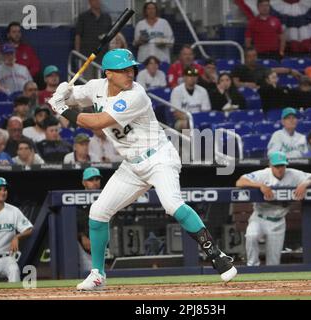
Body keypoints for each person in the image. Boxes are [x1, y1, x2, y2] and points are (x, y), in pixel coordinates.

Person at [48, 48, 237, 290]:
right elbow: (74, 94)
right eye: (124, 70)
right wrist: (65, 92)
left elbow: (97, 121)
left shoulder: (135, 95)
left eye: (132, 69)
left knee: (171, 204)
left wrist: (62, 108)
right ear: (108, 74)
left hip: (159, 158)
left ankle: (218, 256)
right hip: (132, 166)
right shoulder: (96, 86)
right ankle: (97, 274)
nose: (130, 74)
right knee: (98, 212)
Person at [236, 151, 311, 265]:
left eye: (282, 166)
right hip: (259, 217)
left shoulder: (293, 174)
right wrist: (260, 185)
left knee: (273, 263)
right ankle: (252, 266)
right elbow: (240, 182)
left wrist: (305, 184)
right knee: (251, 235)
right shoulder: (263, 174)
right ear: (270, 165)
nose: (280, 169)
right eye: (277, 166)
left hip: (278, 222)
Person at [231, 47, 300, 90]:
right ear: (245, 58)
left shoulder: (261, 68)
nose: (252, 58)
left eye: (254, 56)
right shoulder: (238, 68)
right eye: (250, 56)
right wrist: (247, 84)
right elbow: (235, 83)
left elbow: (274, 70)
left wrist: (290, 70)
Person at [76, 167, 102, 275]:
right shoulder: (76, 200)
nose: (95, 183)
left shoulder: (106, 197)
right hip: (83, 246)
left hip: (104, 243)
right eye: (91, 180)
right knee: (91, 272)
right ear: (84, 183)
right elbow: (69, 225)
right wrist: (82, 236)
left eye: (97, 179)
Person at [170, 66, 211, 131]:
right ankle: (189, 141)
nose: (192, 78)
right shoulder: (177, 91)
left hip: (200, 119)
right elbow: (177, 113)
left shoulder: (203, 91)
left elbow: (205, 111)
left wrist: (198, 119)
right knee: (189, 124)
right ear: (184, 77)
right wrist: (192, 120)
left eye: (195, 76)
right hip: (182, 120)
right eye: (189, 76)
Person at [74, 0, 112, 66]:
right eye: (94, 0)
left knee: (102, 75)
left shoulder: (107, 17)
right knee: (88, 76)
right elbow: (78, 36)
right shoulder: (83, 17)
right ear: (90, 2)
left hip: (103, 55)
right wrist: (78, 54)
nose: (97, 2)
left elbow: (111, 36)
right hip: (87, 55)